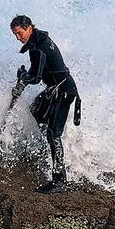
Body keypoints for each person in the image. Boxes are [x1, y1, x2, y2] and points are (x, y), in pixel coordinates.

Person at [10, 15, 79, 193]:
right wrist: (26, 75)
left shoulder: (38, 47)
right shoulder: (39, 38)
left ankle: (60, 180)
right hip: (56, 89)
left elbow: (35, 78)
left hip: (63, 91)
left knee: (54, 134)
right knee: (35, 109)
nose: (18, 38)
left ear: (29, 28)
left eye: (20, 33)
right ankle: (46, 145)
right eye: (15, 35)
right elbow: (37, 69)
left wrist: (23, 77)